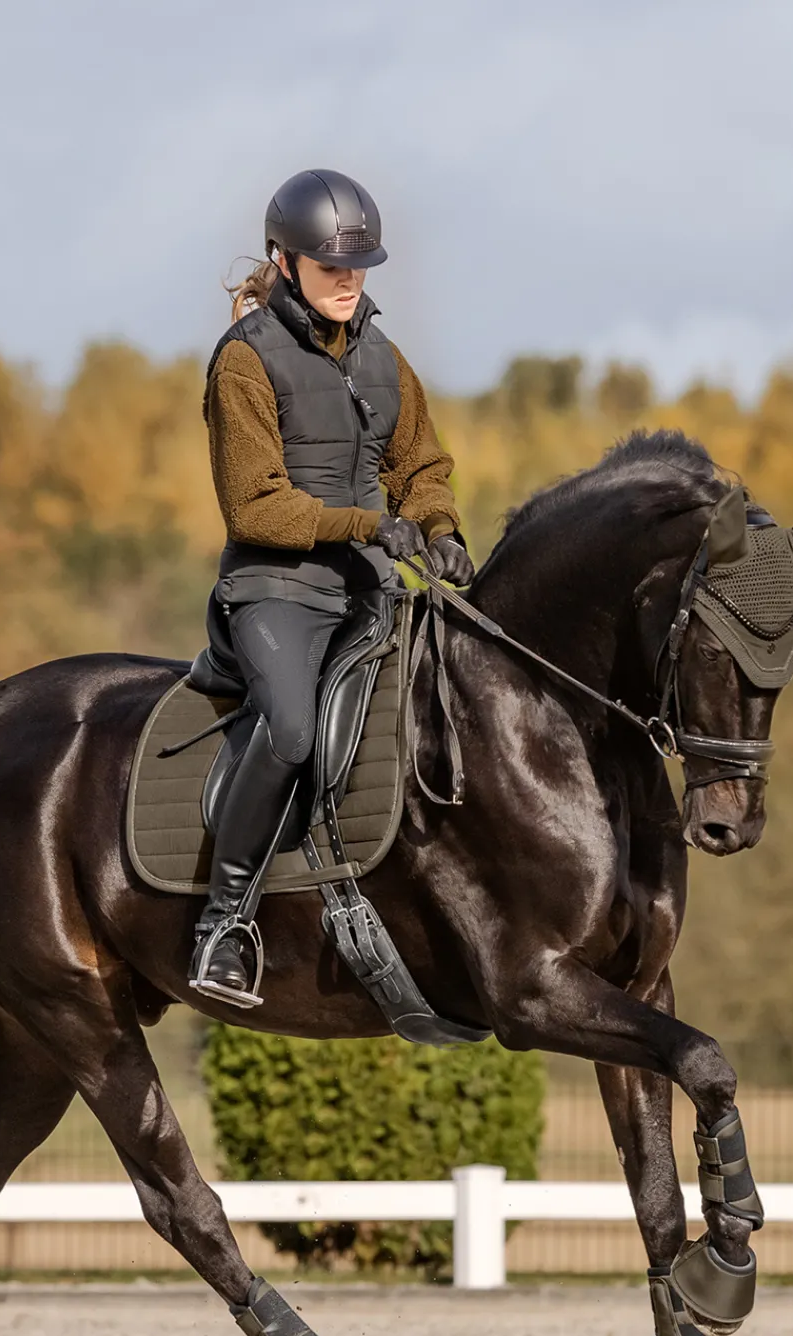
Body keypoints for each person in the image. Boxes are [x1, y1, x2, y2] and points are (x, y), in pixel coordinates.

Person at [189, 168, 473, 1007]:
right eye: (330, 268)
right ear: (284, 262)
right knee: (291, 728)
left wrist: (440, 527)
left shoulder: (384, 357)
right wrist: (365, 526)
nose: (349, 283)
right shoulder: (243, 362)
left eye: (359, 269)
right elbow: (255, 504)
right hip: (278, 590)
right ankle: (225, 924)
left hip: (368, 588)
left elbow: (420, 464)